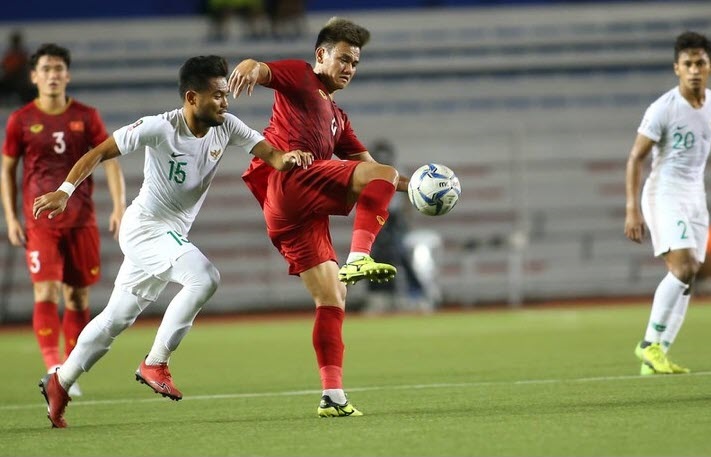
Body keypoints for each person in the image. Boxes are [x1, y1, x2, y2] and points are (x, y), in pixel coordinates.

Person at [32, 54, 313, 428]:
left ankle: (60, 382)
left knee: (116, 319)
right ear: (192, 97)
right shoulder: (158, 127)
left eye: (226, 94)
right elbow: (99, 151)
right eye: (217, 95)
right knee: (205, 277)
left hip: (169, 236)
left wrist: (290, 157)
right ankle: (155, 362)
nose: (225, 102)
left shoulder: (226, 126)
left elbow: (273, 157)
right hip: (144, 226)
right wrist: (65, 191)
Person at [228, 17, 408, 417]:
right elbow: (262, 70)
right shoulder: (301, 76)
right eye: (343, 58)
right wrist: (248, 66)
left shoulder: (337, 117)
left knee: (332, 296)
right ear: (321, 55)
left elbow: (376, 170)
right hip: (292, 176)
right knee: (381, 179)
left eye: (355, 63)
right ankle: (360, 254)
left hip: (290, 213)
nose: (349, 68)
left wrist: (420, 186)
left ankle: (333, 396)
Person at [1, 43, 126, 398]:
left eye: (59, 68)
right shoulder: (21, 119)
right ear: (34, 76)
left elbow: (110, 160)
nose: (53, 74)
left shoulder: (86, 115)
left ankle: (68, 372)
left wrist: (119, 206)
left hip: (81, 220)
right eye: (46, 69)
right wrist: (12, 217)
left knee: (76, 296)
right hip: (40, 221)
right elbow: (8, 170)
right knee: (46, 290)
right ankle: (53, 364)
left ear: (67, 75)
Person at [624, 30, 711, 376]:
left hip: (694, 197)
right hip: (664, 194)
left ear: (708, 66)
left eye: (700, 63)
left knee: (691, 277)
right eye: (687, 64)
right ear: (677, 68)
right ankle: (649, 346)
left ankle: (655, 360)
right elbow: (635, 159)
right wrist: (632, 209)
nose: (694, 70)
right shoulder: (663, 109)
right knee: (684, 267)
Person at [0, 30, 34, 105]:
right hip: (10, 81)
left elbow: (25, 69)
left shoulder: (22, 54)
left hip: (19, 83)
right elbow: (5, 67)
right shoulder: (10, 54)